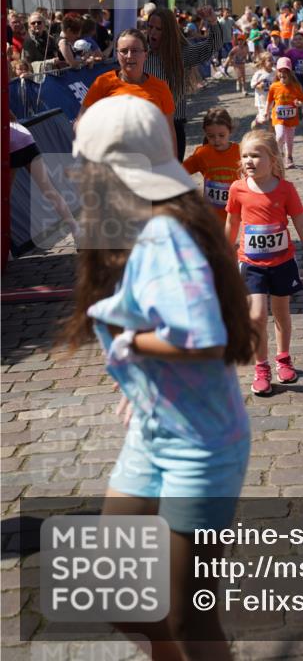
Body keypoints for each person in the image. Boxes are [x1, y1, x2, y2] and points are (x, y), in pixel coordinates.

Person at [62, 96, 254, 659]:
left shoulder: (164, 236)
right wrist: (140, 384)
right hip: (154, 434)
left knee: (190, 618)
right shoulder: (138, 227)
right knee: (120, 599)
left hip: (202, 450)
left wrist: (128, 345)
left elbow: (202, 337)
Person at [226, 130, 303, 396]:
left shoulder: (285, 189)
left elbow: (300, 222)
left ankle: (283, 358)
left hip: (282, 261)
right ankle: (261, 367)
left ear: (273, 159)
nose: (248, 161)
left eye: (256, 155)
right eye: (244, 156)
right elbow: (232, 222)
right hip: (251, 263)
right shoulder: (238, 188)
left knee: (281, 313)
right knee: (256, 315)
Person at [145, 5, 226, 161]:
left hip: (173, 128)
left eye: (158, 29)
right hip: (145, 129)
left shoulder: (182, 54)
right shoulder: (140, 52)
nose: (152, 32)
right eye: (150, 27)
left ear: (168, 32)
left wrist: (213, 22)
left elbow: (213, 46)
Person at [77, 29, 177, 154]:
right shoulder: (102, 83)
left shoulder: (160, 87)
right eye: (124, 51)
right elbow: (80, 124)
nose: (129, 56)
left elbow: (169, 132)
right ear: (117, 54)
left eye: (135, 51)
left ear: (145, 54)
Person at [9, 115, 79, 241]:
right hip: (25, 139)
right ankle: (75, 229)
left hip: (12, 144)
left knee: (4, 199)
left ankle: (5, 251)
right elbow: (12, 117)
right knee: (48, 189)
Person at [183, 108, 240, 226]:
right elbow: (181, 170)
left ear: (230, 131)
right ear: (205, 133)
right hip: (211, 212)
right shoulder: (202, 153)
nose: (216, 140)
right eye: (211, 136)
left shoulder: (240, 151)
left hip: (234, 210)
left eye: (221, 135)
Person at [267, 57, 303, 169]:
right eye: (280, 71)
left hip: (292, 117)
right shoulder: (274, 86)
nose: (282, 73)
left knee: (289, 138)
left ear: (290, 72)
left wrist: (299, 103)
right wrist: (266, 112)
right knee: (279, 136)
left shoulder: (296, 86)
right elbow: (269, 100)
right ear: (277, 72)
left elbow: (302, 99)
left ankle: (289, 156)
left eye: (285, 71)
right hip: (278, 116)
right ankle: (279, 153)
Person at [250, 51, 275, 127]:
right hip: (262, 101)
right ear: (263, 63)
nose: (272, 61)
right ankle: (257, 121)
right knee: (264, 120)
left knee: (272, 119)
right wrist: (259, 86)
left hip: (273, 100)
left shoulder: (275, 71)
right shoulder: (259, 74)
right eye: (269, 60)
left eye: (272, 59)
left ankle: (272, 136)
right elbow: (252, 85)